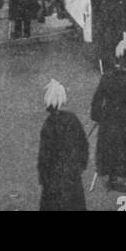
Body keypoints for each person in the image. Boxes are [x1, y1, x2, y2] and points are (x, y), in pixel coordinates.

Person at [91, 38, 126, 194]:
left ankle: (112, 178)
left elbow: (97, 100)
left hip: (108, 120)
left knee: (110, 148)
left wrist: (98, 116)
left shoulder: (106, 78)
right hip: (125, 120)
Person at [38, 79, 90, 211]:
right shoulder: (72, 120)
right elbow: (84, 145)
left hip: (53, 180)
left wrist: (44, 177)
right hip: (72, 177)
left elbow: (44, 156)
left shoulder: (48, 125)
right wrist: (80, 166)